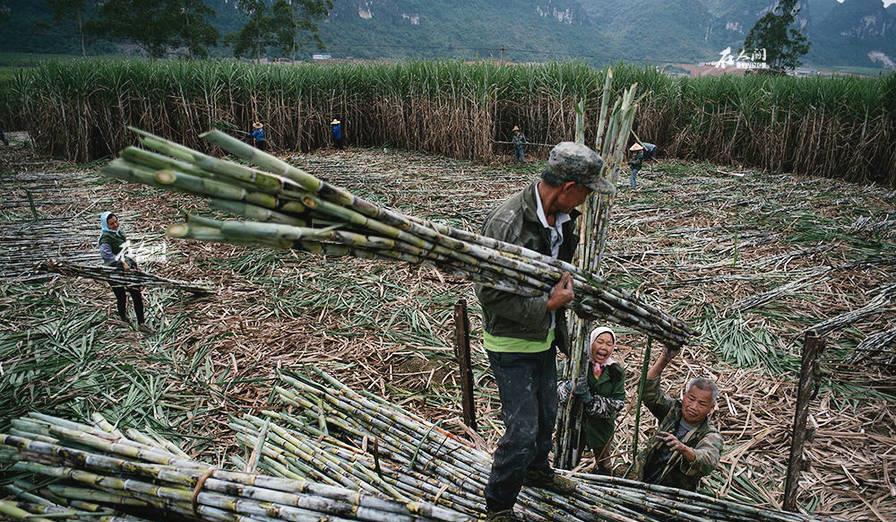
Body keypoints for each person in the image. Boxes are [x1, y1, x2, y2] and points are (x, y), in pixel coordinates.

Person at [476, 142, 615, 521]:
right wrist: (548, 306)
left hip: (546, 338)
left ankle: (537, 472)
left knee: (547, 416)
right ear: (568, 188)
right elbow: (489, 294)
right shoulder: (507, 224)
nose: (585, 200)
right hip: (510, 343)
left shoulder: (565, 219)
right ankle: (499, 507)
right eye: (585, 191)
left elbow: (556, 272)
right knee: (521, 432)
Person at [628, 347, 723, 491]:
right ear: (684, 397)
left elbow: (708, 461)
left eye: (702, 404)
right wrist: (664, 359)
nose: (693, 406)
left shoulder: (710, 435)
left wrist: (684, 450)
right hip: (641, 481)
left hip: (672, 496)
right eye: (691, 399)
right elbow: (647, 392)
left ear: (711, 408)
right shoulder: (673, 412)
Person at [557, 326, 626, 474]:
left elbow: (618, 403)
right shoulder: (574, 365)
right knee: (568, 463)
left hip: (601, 428)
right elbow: (552, 390)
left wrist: (590, 400)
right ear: (590, 343)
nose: (604, 347)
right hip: (573, 425)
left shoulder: (615, 371)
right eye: (600, 341)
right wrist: (568, 388)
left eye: (609, 344)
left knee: (605, 465)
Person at [98, 212, 151, 333]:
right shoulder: (105, 239)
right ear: (106, 225)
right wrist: (121, 263)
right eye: (111, 224)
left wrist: (135, 266)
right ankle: (123, 317)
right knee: (121, 297)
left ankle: (141, 323)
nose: (115, 225)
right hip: (114, 271)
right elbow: (107, 256)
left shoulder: (120, 233)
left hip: (128, 270)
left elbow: (127, 251)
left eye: (116, 222)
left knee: (136, 295)